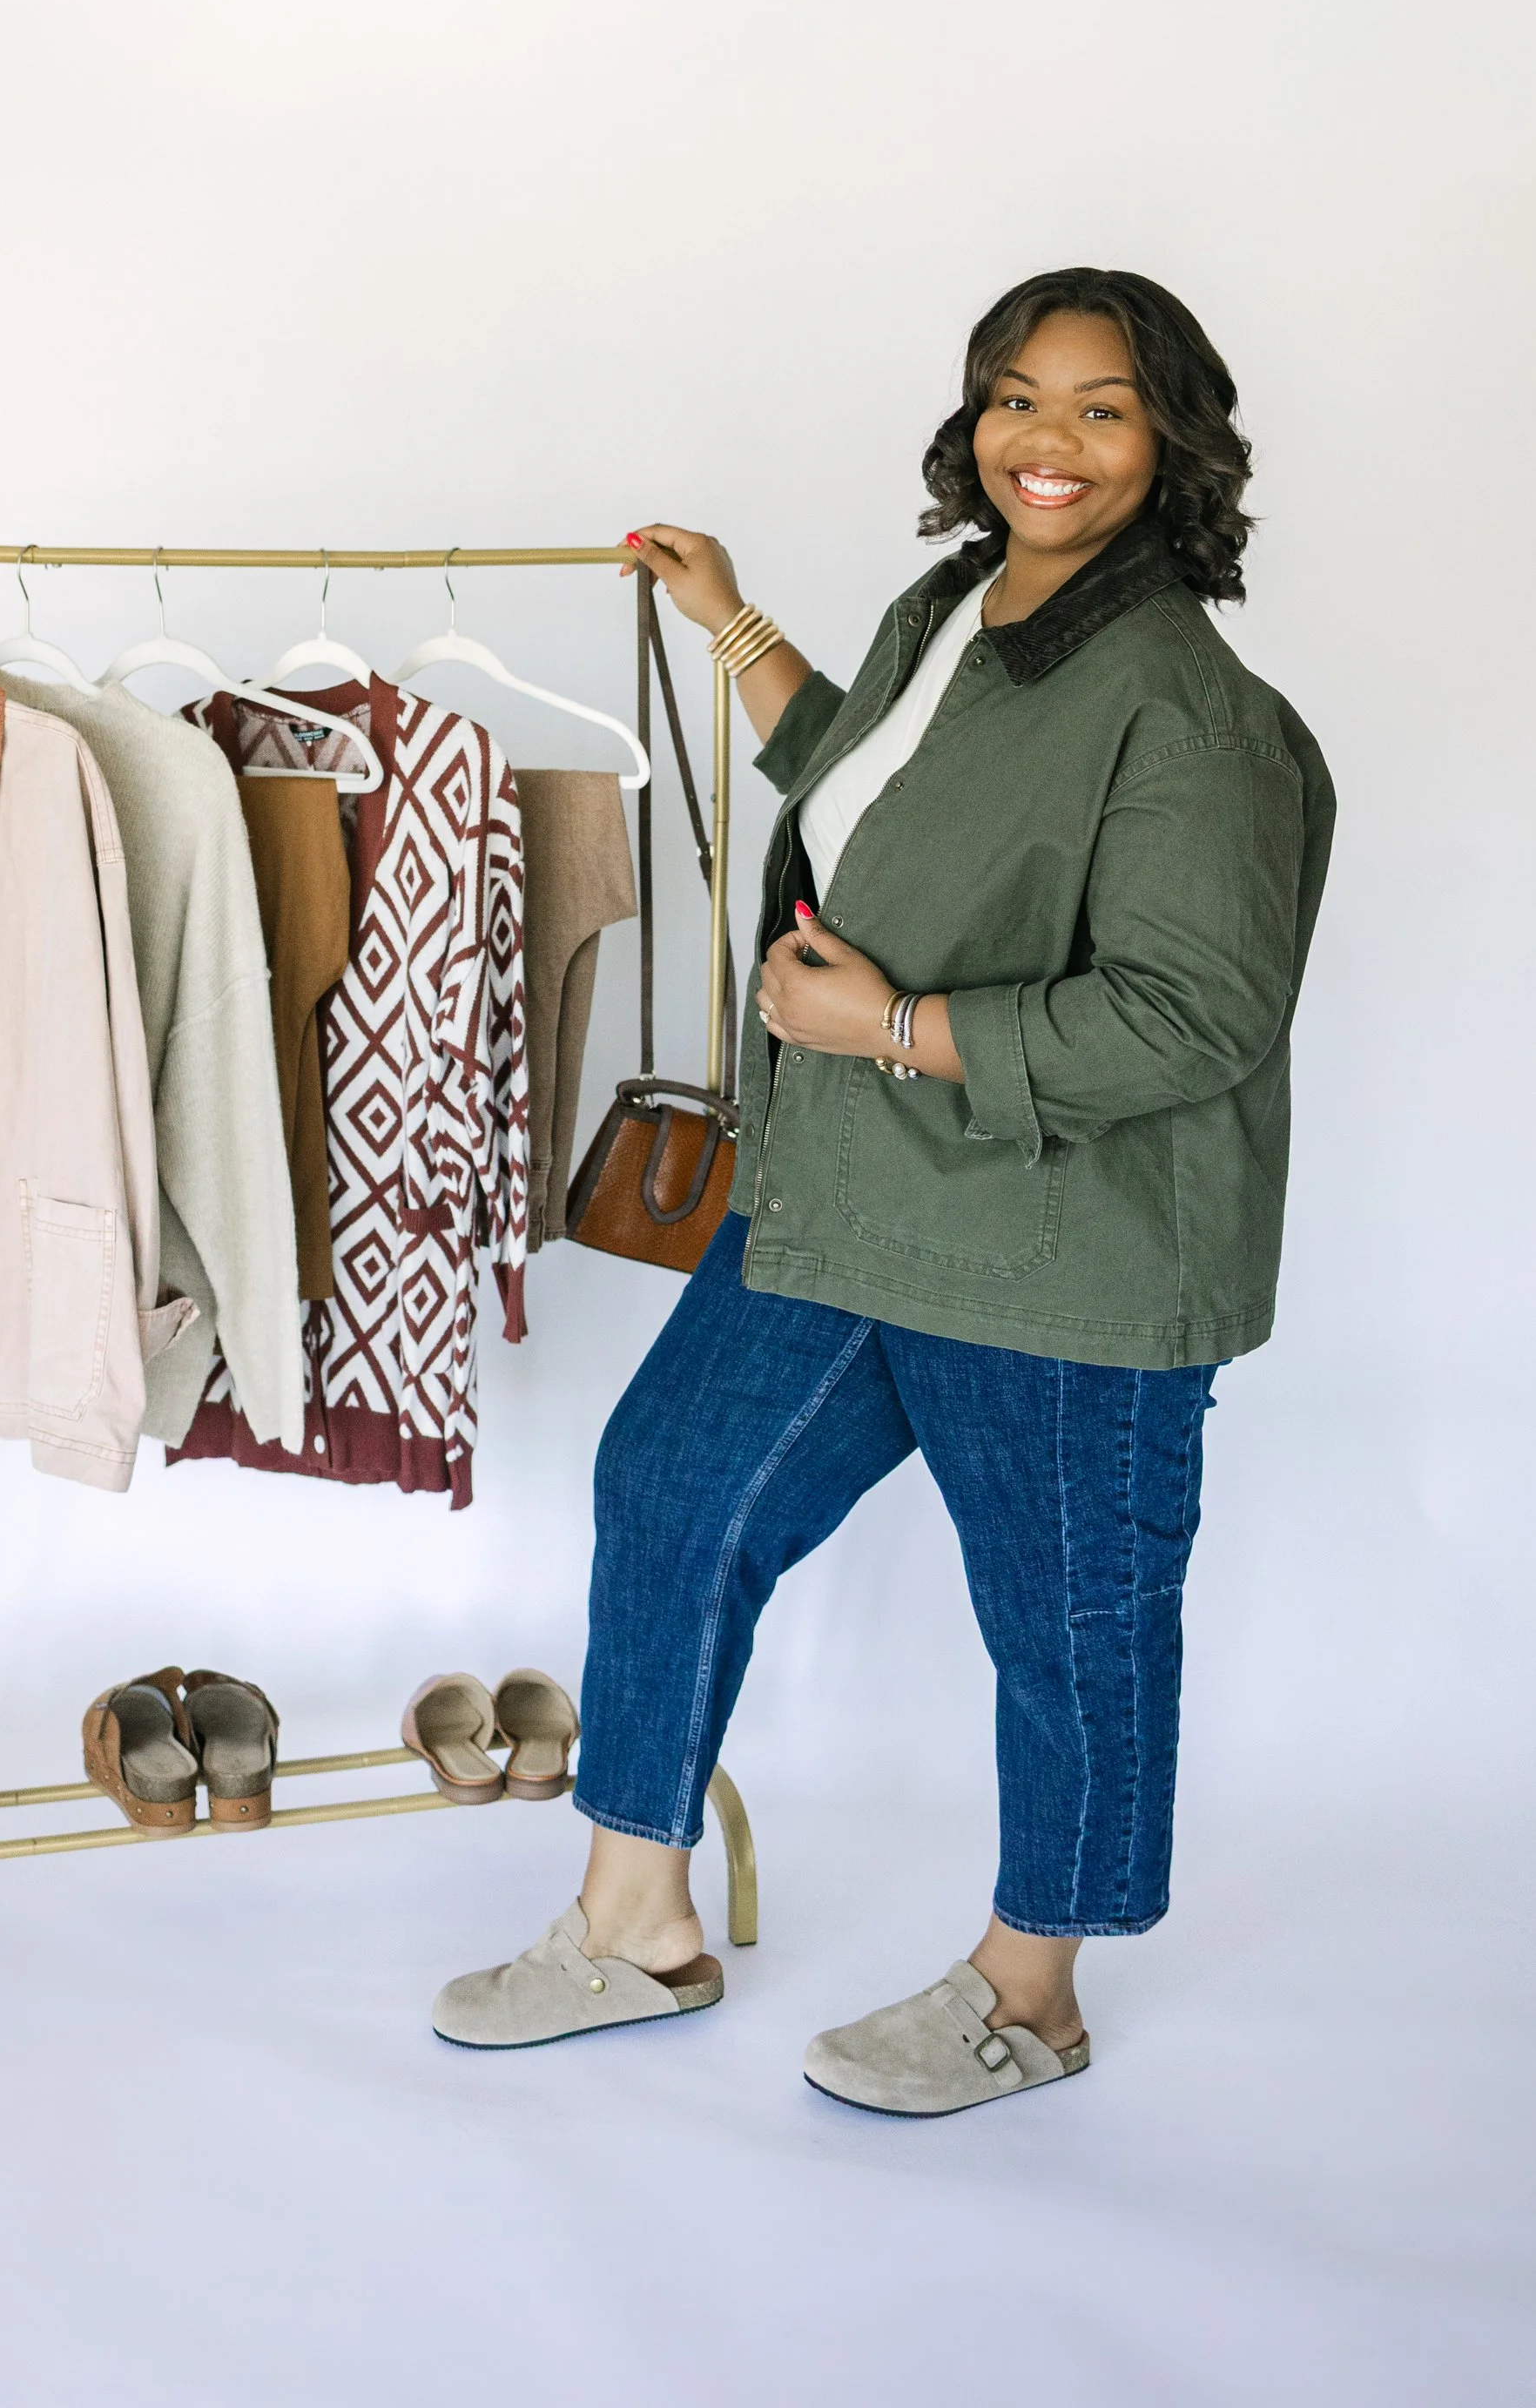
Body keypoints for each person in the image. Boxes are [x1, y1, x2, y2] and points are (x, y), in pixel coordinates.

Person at [432, 267, 1334, 2115]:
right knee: (672, 1482)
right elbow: (877, 796)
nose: (1046, 442)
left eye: (1097, 406)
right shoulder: (958, 610)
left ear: (1170, 439)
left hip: (1060, 1247)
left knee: (1064, 1621)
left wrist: (893, 1022)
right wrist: (733, 620)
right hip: (854, 1202)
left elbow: (1195, 1014)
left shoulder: (1188, 704)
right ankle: (632, 1922)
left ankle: (1031, 1990)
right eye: (1014, 397)